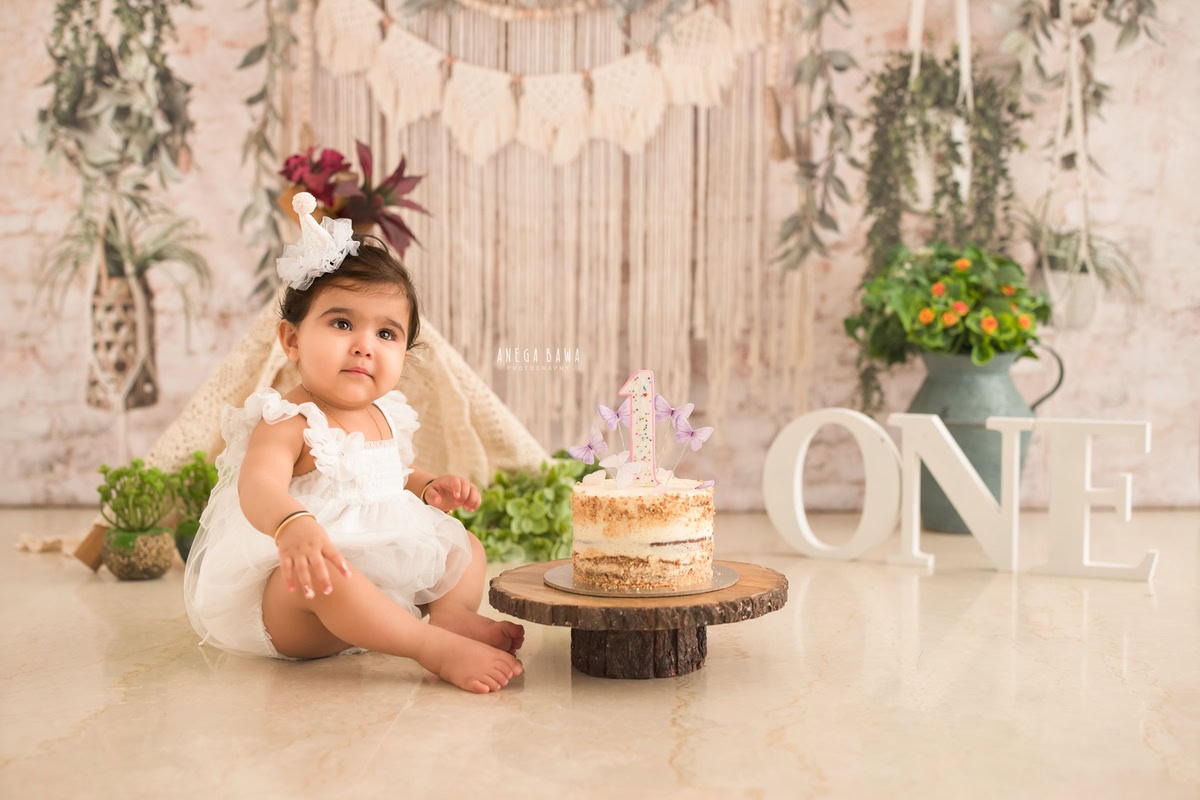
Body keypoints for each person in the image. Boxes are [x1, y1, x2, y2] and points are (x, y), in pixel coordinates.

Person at [183, 192, 524, 693]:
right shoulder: (288, 418)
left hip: (377, 590)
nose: (364, 345)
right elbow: (257, 484)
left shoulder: (386, 413)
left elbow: (389, 473)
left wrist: (426, 485)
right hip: (301, 602)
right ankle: (428, 646)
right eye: (342, 324)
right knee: (328, 574)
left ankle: (450, 616)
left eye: (386, 334)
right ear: (292, 340)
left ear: (404, 353)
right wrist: (291, 524)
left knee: (463, 547)